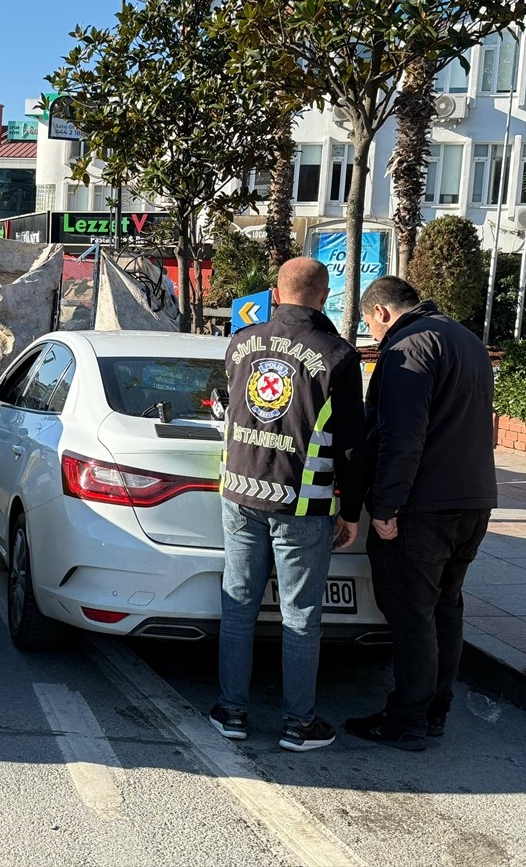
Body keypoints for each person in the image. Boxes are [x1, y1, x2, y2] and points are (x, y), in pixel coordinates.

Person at [212, 257, 365, 752]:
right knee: (300, 616)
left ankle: (232, 713)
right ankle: (299, 725)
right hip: (302, 503)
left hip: (239, 493)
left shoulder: (239, 344)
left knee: (238, 609)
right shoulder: (339, 356)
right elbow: (351, 444)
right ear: (324, 296)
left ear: (275, 293)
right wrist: (352, 510)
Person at [345, 277, 497, 751]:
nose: (373, 335)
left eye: (370, 325)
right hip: (473, 500)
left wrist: (386, 505)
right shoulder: (466, 339)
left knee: (412, 615)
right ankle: (435, 711)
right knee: (446, 609)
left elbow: (401, 436)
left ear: (383, 313)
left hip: (422, 506)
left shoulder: (407, 347)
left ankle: (406, 720)